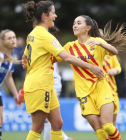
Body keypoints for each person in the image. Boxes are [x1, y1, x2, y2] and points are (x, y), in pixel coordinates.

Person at [21, 1, 104, 140]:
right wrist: (91, 67)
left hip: (45, 84)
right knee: (37, 127)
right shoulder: (44, 35)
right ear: (45, 15)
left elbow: (25, 56)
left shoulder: (33, 34)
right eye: (53, 13)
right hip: (39, 85)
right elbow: (66, 57)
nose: (55, 15)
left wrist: (27, 62)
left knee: (57, 123)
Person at [55, 16, 126, 140]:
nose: (74, 25)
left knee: (108, 127)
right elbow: (53, 58)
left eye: (78, 23)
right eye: (74, 23)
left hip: (102, 88)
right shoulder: (69, 47)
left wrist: (101, 43)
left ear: (88, 28)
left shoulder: (96, 42)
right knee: (100, 131)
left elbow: (114, 52)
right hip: (83, 93)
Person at [0, 29, 22, 140]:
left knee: (0, 120)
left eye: (14, 37)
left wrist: (15, 95)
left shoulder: (11, 57)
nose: (13, 40)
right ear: (2, 41)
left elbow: (9, 77)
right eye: (9, 38)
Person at [103, 55, 121, 126]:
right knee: (103, 122)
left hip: (111, 90)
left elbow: (118, 67)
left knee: (112, 122)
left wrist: (115, 70)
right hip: (97, 91)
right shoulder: (89, 52)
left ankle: (113, 137)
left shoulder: (109, 53)